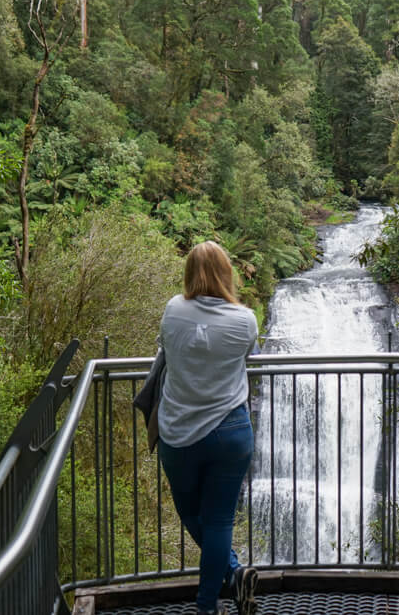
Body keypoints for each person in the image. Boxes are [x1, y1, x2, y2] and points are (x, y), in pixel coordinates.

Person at [157, 241, 259, 615]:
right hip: (231, 431)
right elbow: (251, 355)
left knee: (191, 514)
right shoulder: (245, 319)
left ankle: (232, 574)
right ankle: (209, 603)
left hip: (180, 431)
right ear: (227, 273)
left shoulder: (172, 309)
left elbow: (166, 348)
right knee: (219, 520)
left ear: (188, 273)